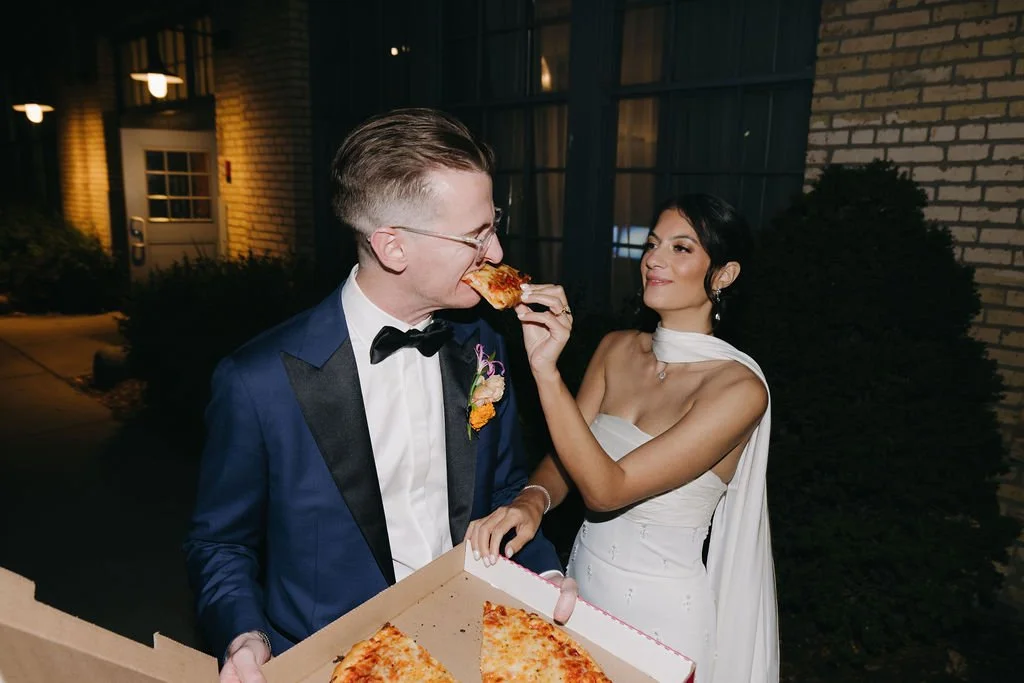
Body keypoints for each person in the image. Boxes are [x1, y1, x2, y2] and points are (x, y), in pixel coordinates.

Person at [183, 108, 573, 683]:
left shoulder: (484, 340)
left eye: (494, 225)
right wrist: (244, 633)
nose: (496, 252)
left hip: (474, 646)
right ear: (393, 247)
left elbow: (505, 488)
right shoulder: (257, 380)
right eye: (476, 235)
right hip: (333, 665)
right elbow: (220, 543)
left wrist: (540, 575)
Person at [466, 194, 779, 683]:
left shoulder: (738, 390)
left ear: (724, 274)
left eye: (681, 248)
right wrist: (533, 498)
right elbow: (570, 459)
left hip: (665, 618)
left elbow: (607, 488)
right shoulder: (615, 349)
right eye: (653, 244)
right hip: (580, 589)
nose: (653, 258)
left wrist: (545, 372)